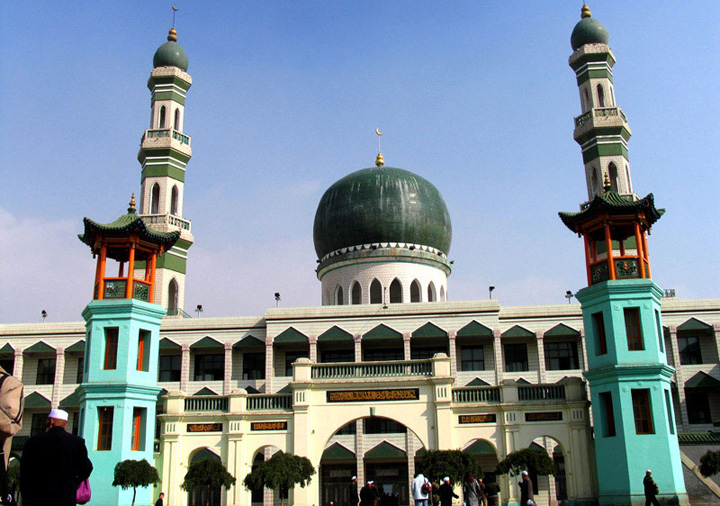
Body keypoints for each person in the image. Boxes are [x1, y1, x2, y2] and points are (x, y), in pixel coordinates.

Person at [19, 409, 93, 506]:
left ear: (51, 421)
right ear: (65, 424)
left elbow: (25, 473)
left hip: (36, 498)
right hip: (64, 497)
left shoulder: (32, 442)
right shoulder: (76, 442)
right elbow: (87, 468)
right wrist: (72, 481)